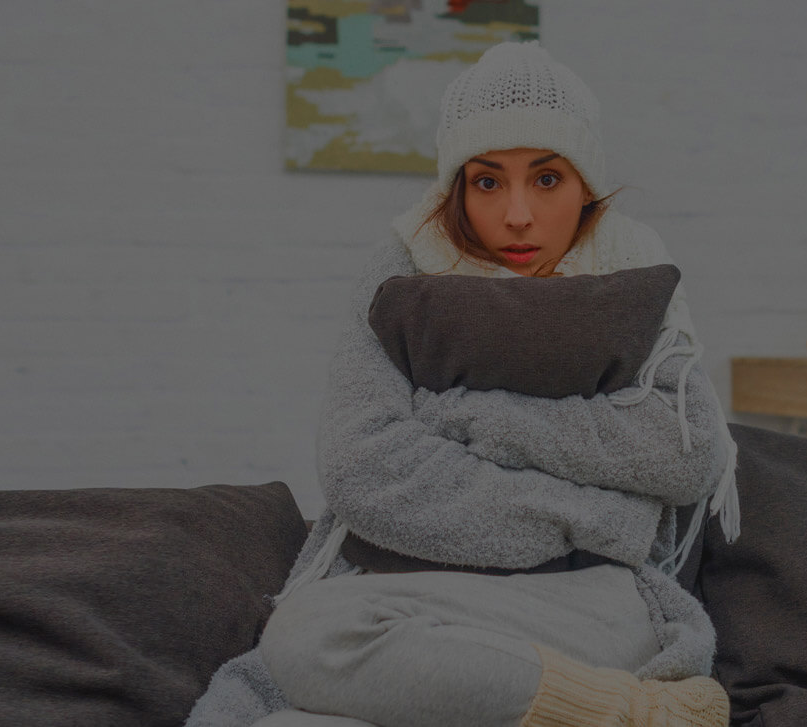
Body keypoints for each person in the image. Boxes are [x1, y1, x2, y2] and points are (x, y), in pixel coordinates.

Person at [186, 41, 740, 727]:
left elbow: (685, 451)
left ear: (586, 184)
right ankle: (630, 711)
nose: (517, 214)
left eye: (546, 179)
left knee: (311, 639)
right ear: (457, 186)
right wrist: (602, 516)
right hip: (412, 594)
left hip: (590, 600)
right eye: (487, 182)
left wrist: (473, 416)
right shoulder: (405, 268)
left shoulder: (634, 267)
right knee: (300, 653)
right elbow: (363, 469)